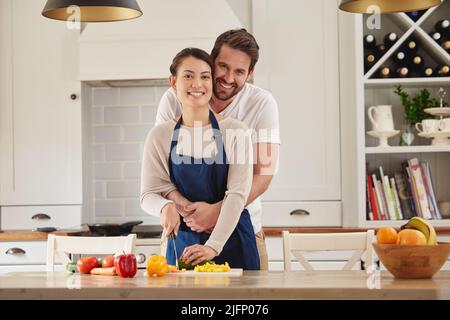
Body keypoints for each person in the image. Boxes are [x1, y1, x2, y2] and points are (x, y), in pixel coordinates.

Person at [154, 29, 280, 270]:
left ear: (250, 73)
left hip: (243, 230)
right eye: (223, 66)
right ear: (211, 61)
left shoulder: (262, 104)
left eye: (240, 71)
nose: (229, 77)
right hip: (182, 230)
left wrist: (218, 212)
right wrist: (185, 210)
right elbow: (161, 174)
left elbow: (263, 177)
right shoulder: (174, 99)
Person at [140, 48, 260, 269]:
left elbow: (237, 194)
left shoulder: (236, 132)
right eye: (188, 75)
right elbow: (148, 193)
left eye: (205, 76)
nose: (197, 84)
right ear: (173, 81)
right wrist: (165, 206)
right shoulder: (160, 135)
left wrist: (213, 246)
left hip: (234, 241)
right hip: (184, 243)